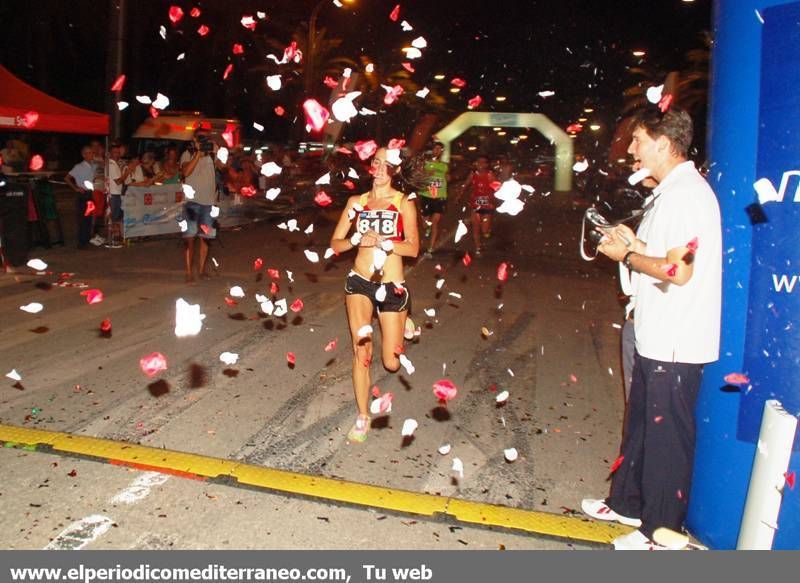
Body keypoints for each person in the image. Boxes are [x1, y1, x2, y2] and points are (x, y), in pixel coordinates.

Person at [581, 108, 722, 550]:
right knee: (642, 425)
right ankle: (628, 501)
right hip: (655, 332)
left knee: (667, 439)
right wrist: (632, 243)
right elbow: (664, 254)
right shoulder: (670, 193)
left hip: (676, 339)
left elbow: (676, 271)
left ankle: (660, 532)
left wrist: (625, 258)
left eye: (639, 140)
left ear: (663, 144)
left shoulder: (686, 196)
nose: (633, 149)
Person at [329, 147, 419, 443]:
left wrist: (388, 244)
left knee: (391, 363)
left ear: (395, 170)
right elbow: (336, 244)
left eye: (386, 164)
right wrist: (356, 238)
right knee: (361, 351)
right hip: (360, 282)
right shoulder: (357, 202)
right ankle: (363, 415)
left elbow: (413, 248)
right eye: (376, 162)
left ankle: (406, 315)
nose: (380, 168)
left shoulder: (403, 203)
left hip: (392, 285)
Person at [180, 130, 224, 282]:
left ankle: (201, 270)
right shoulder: (188, 153)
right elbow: (185, 172)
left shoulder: (212, 152)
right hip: (192, 203)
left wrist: (220, 151)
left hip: (209, 203)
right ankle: (188, 272)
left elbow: (222, 166)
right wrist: (198, 153)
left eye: (205, 137)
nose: (203, 139)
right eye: (200, 137)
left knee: (205, 239)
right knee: (190, 238)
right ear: (194, 138)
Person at [419, 141, 449, 258]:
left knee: (435, 222)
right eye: (435, 149)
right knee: (425, 224)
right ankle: (427, 228)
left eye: (439, 149)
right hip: (427, 196)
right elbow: (419, 175)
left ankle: (430, 249)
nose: (437, 151)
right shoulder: (425, 163)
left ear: (441, 152)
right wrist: (426, 173)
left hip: (439, 197)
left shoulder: (444, 165)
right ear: (432, 150)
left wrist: (448, 177)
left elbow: (448, 177)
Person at [463, 155, 497, 257]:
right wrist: (459, 194)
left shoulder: (490, 175)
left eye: (483, 163)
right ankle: (478, 248)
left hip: (487, 206)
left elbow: (497, 188)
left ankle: (486, 230)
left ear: (487, 165)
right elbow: (465, 184)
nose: (480, 165)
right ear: (476, 164)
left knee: (484, 230)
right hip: (475, 205)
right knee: (476, 228)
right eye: (479, 162)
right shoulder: (473, 174)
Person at [64, 146, 96, 249]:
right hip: (83, 195)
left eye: (91, 152)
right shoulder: (79, 166)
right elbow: (67, 178)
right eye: (89, 153)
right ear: (84, 155)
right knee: (83, 219)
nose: (91, 154)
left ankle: (86, 240)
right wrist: (76, 188)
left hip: (89, 193)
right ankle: (82, 243)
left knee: (88, 219)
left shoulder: (92, 166)